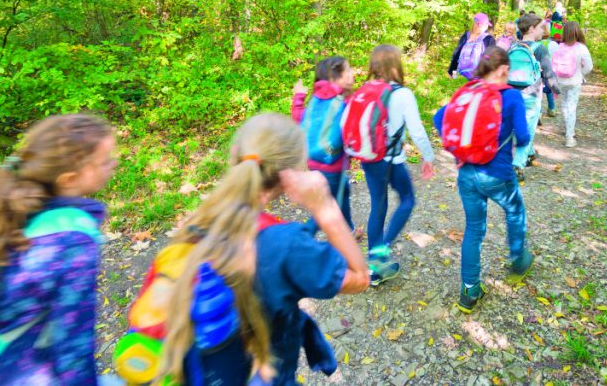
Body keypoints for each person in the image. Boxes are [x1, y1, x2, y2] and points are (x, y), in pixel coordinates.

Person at [157, 114, 370, 386]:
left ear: (234, 155)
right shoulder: (287, 245)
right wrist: (324, 207)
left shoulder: (198, 223)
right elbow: (360, 278)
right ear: (292, 173)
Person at [0, 114, 119, 385]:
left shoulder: (24, 211)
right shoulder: (73, 241)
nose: (114, 164)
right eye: (105, 160)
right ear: (69, 179)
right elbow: (73, 344)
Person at [434, 46, 534, 313]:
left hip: (466, 173)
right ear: (503, 70)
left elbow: (438, 117)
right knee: (515, 211)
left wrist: (459, 148)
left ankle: (469, 291)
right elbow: (524, 137)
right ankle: (518, 260)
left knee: (474, 229)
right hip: (497, 174)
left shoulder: (468, 92)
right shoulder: (511, 96)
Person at [349, 45, 436, 285]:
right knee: (407, 199)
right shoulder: (403, 94)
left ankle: (374, 270)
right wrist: (428, 157)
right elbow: (417, 131)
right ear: (396, 65)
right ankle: (379, 255)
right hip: (392, 161)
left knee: (378, 205)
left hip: (369, 158)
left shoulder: (365, 90)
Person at [291, 56, 357, 233]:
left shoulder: (316, 99)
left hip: (314, 160)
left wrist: (298, 97)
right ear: (335, 76)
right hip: (332, 165)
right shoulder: (343, 102)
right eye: (348, 70)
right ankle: (303, 237)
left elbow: (299, 119)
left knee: (343, 190)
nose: (352, 74)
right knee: (325, 209)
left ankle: (349, 229)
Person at [510, 15, 559, 182]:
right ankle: (517, 165)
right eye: (540, 28)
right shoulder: (540, 49)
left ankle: (529, 154)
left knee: (517, 127)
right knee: (527, 130)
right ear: (531, 28)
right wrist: (555, 89)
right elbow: (548, 73)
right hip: (531, 95)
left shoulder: (512, 46)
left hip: (511, 94)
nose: (542, 31)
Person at [551, 21, 594, 148]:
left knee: (565, 105)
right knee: (571, 107)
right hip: (575, 82)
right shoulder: (581, 48)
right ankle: (569, 137)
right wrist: (581, 73)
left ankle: (569, 128)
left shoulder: (559, 47)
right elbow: (589, 67)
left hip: (560, 81)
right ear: (578, 32)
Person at [447, 13, 496, 80]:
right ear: (483, 25)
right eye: (487, 25)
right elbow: (492, 59)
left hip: (461, 76)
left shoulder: (466, 35)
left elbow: (456, 55)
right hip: (479, 78)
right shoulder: (488, 39)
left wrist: (453, 74)